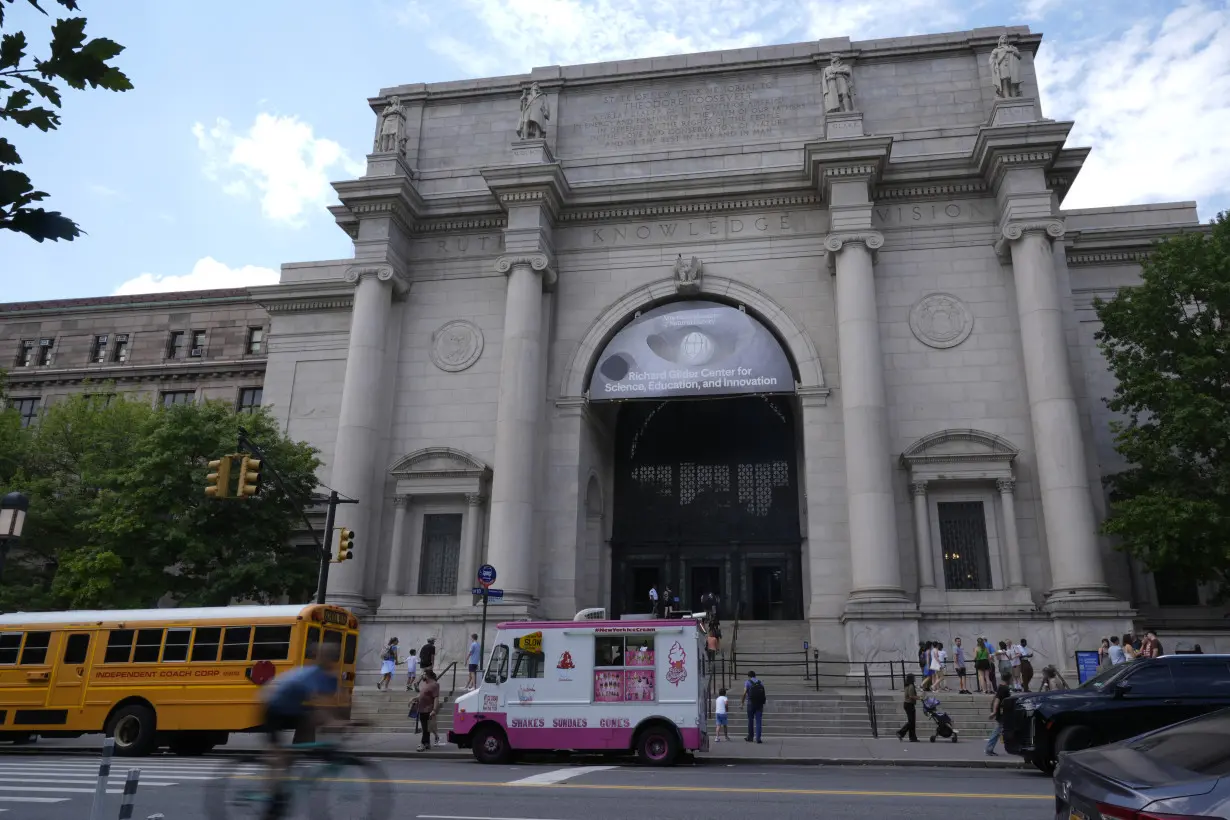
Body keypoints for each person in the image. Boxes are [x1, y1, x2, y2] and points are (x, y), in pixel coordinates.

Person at [260, 644, 342, 820]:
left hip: (292, 708)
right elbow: (320, 705)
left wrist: (350, 721)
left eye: (331, 656)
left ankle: (294, 756)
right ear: (319, 658)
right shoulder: (310, 676)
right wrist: (335, 722)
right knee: (278, 757)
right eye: (325, 656)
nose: (328, 660)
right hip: (273, 707)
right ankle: (273, 795)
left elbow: (333, 703)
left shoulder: (330, 678)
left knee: (308, 723)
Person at [415, 670, 440, 751]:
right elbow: (421, 694)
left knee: (425, 729)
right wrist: (414, 699)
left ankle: (422, 743)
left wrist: (434, 710)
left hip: (428, 709)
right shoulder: (426, 684)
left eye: (423, 674)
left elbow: (436, 698)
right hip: (422, 709)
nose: (422, 676)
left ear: (427, 675)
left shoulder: (434, 684)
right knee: (426, 728)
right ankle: (427, 743)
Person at [986, 683, 1011, 756]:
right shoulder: (1003, 689)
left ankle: (989, 749)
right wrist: (994, 712)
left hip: (1002, 714)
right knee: (997, 732)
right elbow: (997, 700)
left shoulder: (1002, 688)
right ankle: (989, 749)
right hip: (1001, 715)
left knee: (998, 731)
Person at [741, 670, 765, 743]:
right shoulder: (760, 682)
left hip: (750, 703)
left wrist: (742, 702)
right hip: (759, 704)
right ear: (755, 675)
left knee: (750, 720)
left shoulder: (747, 682)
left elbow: (744, 693)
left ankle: (750, 737)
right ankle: (758, 738)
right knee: (758, 721)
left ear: (749, 676)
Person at [896, 673, 919, 742]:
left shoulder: (907, 685)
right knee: (911, 722)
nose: (915, 678)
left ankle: (912, 737)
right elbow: (911, 696)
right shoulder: (911, 686)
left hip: (907, 704)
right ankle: (901, 732)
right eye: (914, 677)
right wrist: (919, 698)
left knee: (912, 722)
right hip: (909, 704)